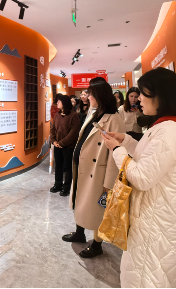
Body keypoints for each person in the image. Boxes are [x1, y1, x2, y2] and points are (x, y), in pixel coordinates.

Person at [101, 67, 176, 288]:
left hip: (156, 223)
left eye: (144, 94)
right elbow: (150, 158)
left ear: (160, 96)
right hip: (155, 219)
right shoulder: (168, 125)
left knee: (146, 278)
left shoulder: (169, 131)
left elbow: (142, 177)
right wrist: (126, 141)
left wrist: (116, 149)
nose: (138, 99)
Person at [62, 81, 126, 258]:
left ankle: (97, 245)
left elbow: (115, 152)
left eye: (90, 94)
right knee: (81, 202)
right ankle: (79, 232)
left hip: (98, 172)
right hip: (83, 168)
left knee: (97, 210)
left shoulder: (114, 119)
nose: (87, 97)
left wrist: (109, 181)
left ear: (99, 96)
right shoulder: (94, 114)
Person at [50, 94, 81, 196]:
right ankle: (58, 184)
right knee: (58, 165)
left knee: (68, 167)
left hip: (68, 146)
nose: (57, 103)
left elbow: (74, 133)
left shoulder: (73, 116)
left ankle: (66, 187)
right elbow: (53, 129)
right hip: (57, 145)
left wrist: (61, 143)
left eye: (59, 101)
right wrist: (54, 141)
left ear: (64, 103)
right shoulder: (57, 115)